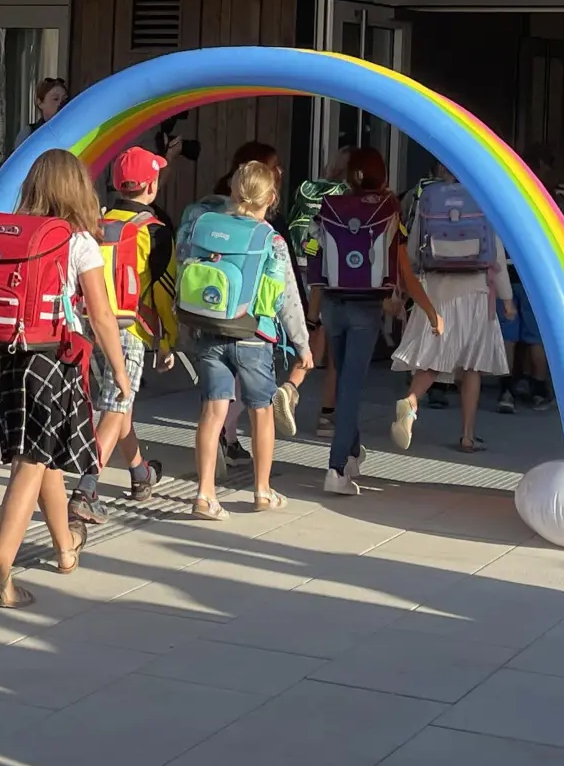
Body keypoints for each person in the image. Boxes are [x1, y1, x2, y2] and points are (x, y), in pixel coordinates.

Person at [0, 148, 129, 609]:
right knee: (31, 462)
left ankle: (65, 547)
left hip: (9, 355)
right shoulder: (78, 241)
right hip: (53, 358)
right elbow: (101, 314)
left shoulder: (9, 234)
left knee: (43, 457)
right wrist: (120, 373)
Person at [180, 161, 312, 520]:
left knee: (212, 411)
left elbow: (184, 267)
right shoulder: (271, 239)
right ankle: (261, 490)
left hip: (210, 329)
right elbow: (287, 299)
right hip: (253, 335)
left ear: (233, 190)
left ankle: (204, 494)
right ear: (270, 197)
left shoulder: (203, 225)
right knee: (262, 411)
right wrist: (303, 344)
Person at [309, 147, 436, 496]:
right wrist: (426, 308)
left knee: (343, 378)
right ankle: (336, 470)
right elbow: (401, 265)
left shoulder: (331, 206)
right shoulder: (389, 207)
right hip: (368, 305)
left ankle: (350, 453)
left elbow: (317, 259)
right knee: (350, 387)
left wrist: (312, 312)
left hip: (333, 304)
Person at [70, 146, 173, 523]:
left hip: (88, 325)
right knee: (115, 406)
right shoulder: (155, 231)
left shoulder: (93, 223)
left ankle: (140, 473)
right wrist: (166, 341)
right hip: (129, 330)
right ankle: (86, 487)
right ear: (151, 185)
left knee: (119, 400)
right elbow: (162, 291)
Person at [390, 162, 512, 454]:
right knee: (472, 366)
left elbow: (415, 247)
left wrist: (409, 286)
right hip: (476, 292)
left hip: (437, 289)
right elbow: (496, 254)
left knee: (435, 358)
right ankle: (468, 436)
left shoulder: (430, 196)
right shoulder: (483, 198)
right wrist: (507, 299)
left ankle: (411, 401)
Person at [289, 146, 353, 436]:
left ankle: (291, 389)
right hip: (333, 273)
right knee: (334, 350)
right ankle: (326, 415)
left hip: (302, 263)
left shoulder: (307, 188)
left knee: (313, 337)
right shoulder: (348, 193)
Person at [498, 147, 555, 411]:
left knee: (509, 336)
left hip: (506, 275)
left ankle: (506, 391)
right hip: (534, 278)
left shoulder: (505, 197)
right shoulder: (544, 200)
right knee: (535, 336)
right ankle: (539, 389)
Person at [11, 77, 68, 152]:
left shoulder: (70, 132)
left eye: (64, 100)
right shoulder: (29, 134)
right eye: (55, 99)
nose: (60, 103)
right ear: (40, 103)